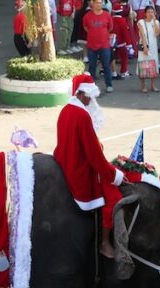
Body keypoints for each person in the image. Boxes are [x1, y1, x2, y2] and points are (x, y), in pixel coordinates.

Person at [53, 74, 124, 257]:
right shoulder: (82, 115)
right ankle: (104, 242)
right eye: (89, 96)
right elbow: (94, 156)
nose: (91, 100)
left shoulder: (65, 110)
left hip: (64, 160)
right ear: (82, 94)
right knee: (113, 198)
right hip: (79, 169)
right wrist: (113, 174)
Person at [83, 0, 114, 92]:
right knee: (92, 66)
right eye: (97, 2)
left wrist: (103, 34)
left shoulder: (107, 15)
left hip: (104, 44)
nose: (99, 4)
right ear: (92, 3)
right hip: (92, 44)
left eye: (100, 3)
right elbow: (85, 27)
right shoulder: (87, 16)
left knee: (106, 65)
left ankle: (109, 84)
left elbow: (110, 27)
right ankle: (91, 86)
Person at [136, 5, 159, 92]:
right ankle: (143, 86)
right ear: (145, 13)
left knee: (154, 63)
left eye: (152, 12)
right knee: (143, 65)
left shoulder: (156, 22)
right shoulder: (141, 22)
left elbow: (157, 34)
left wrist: (154, 21)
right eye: (148, 12)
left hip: (153, 45)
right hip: (144, 45)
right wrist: (145, 47)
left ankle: (153, 85)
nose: (150, 14)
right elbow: (143, 35)